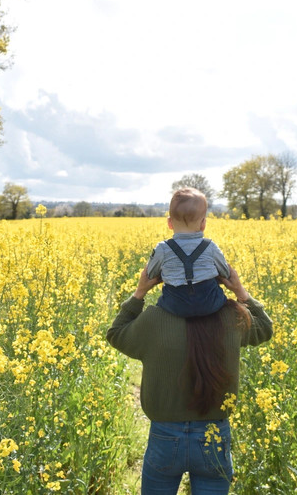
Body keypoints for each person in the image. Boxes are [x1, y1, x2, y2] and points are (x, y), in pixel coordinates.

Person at [106, 264, 273, 494]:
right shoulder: (231, 317)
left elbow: (116, 333)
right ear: (218, 277)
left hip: (165, 435)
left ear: (165, 279)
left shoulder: (153, 320)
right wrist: (239, 290)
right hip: (214, 436)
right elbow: (265, 328)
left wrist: (140, 292)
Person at [146, 187, 230, 318]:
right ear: (203, 224)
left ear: (169, 223)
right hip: (211, 305)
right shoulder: (211, 247)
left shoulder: (162, 248)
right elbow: (225, 273)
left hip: (174, 306)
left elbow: (150, 274)